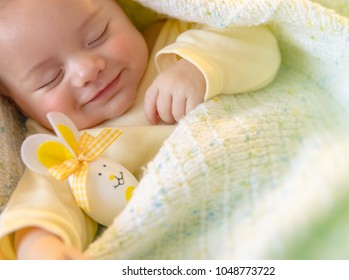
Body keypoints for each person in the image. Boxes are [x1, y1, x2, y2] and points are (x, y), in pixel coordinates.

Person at [0, 0, 281, 259]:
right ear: (16, 101)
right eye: (51, 78)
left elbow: (261, 44)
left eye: (97, 35)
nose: (88, 70)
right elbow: (41, 203)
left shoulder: (176, 43)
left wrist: (196, 69)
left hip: (270, 181)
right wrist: (39, 247)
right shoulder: (64, 147)